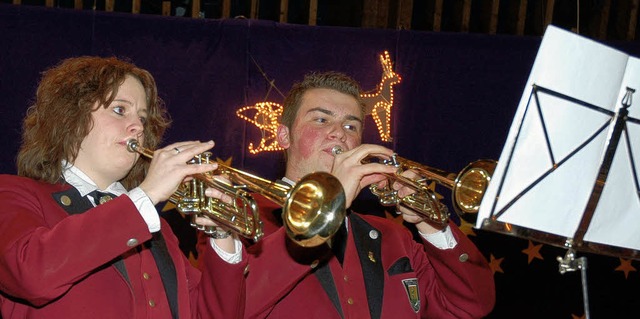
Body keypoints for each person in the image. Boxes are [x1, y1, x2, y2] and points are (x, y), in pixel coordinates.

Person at [0, 56, 246, 318]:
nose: (138, 127)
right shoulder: (13, 193)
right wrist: (148, 195)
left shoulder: (159, 228)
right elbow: (30, 274)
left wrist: (223, 236)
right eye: (120, 110)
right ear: (71, 117)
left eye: (142, 117)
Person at [241, 71, 496, 318]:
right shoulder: (241, 214)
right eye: (321, 120)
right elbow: (230, 306)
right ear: (284, 136)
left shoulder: (394, 236)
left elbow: (471, 306)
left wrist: (431, 223)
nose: (339, 132)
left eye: (351, 125)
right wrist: (330, 199)